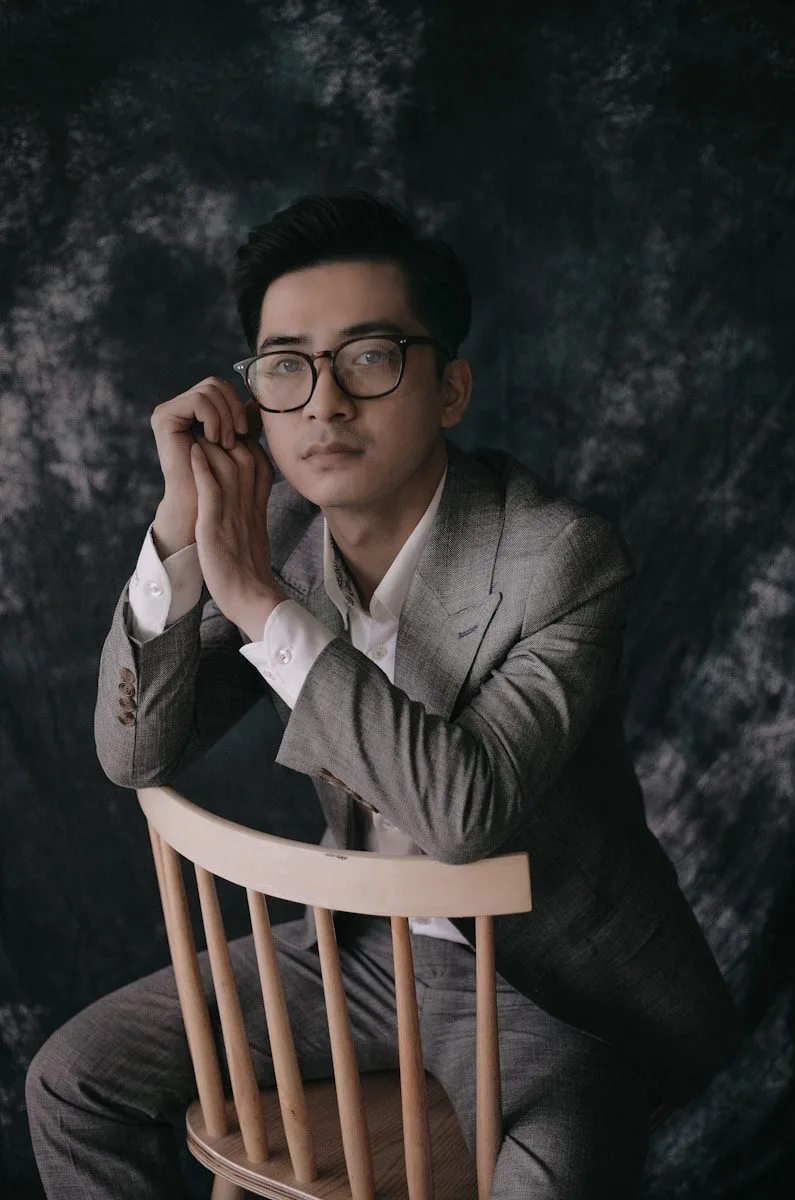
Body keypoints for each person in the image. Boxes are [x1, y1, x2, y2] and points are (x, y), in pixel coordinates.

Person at [26, 190, 742, 1199]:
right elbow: (132, 752)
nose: (322, 403)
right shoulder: (266, 531)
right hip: (368, 955)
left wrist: (265, 609)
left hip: (546, 991)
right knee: (72, 1083)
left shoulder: (558, 557)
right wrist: (180, 536)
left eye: (368, 357)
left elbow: (459, 818)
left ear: (448, 389)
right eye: (286, 367)